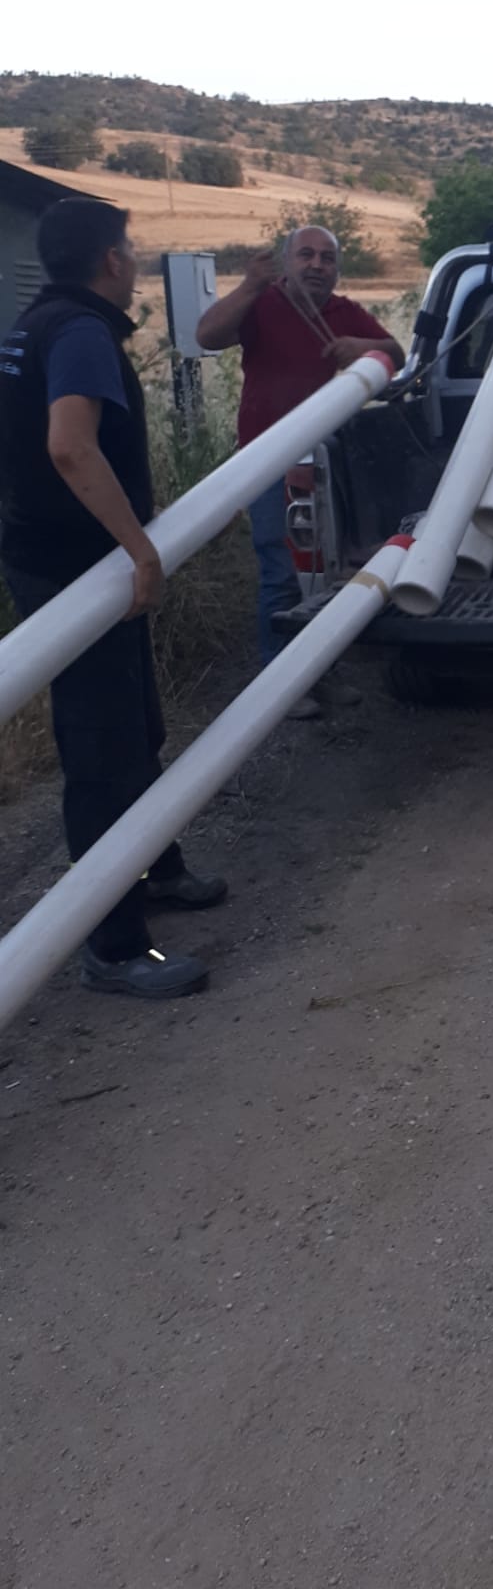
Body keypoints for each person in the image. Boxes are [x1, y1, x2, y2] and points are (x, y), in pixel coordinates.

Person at [0, 200, 226, 998]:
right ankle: (115, 945)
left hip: (50, 557)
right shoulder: (82, 333)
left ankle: (155, 866)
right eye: (128, 249)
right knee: (102, 750)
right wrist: (140, 550)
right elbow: (69, 446)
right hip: (82, 571)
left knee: (137, 726)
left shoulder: (29, 325)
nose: (132, 262)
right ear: (111, 261)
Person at [196, 226, 402, 715]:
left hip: (323, 461)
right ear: (287, 263)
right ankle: (281, 685)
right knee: (281, 569)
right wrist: (249, 285)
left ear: (337, 270)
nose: (316, 265)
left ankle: (318, 674)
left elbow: (396, 353)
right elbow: (207, 336)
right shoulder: (263, 302)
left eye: (327, 258)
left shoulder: (341, 312)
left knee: (326, 572)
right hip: (266, 460)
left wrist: (362, 346)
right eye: (306, 255)